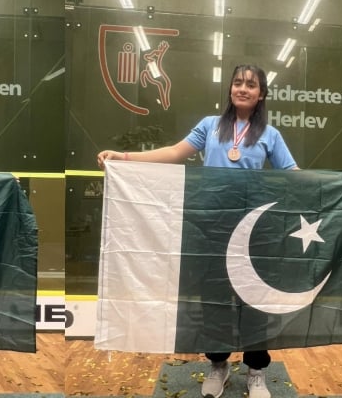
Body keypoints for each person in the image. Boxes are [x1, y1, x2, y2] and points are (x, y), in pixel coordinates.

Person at [96, 64, 298, 398]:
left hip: (252, 231)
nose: (243, 89)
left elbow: (293, 174)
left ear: (261, 94)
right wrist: (125, 157)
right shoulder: (210, 126)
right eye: (237, 83)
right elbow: (175, 153)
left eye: (251, 85)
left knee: (253, 303)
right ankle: (218, 365)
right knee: (215, 300)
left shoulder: (270, 135)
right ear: (230, 89)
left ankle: (256, 370)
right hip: (212, 228)